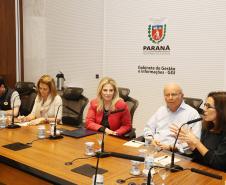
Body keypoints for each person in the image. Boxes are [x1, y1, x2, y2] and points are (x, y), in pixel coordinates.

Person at [173, 91, 226, 171]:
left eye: (208, 106)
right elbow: (202, 157)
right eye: (205, 105)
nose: (204, 110)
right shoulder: (207, 127)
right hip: (203, 171)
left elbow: (219, 163)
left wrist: (196, 142)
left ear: (221, 110)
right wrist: (191, 145)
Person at [144, 82, 201, 152]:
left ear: (182, 96)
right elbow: (148, 128)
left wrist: (172, 148)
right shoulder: (161, 110)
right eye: (167, 95)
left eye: (173, 94)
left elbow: (195, 141)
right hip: (154, 149)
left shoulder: (192, 114)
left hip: (176, 154)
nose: (170, 98)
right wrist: (151, 140)